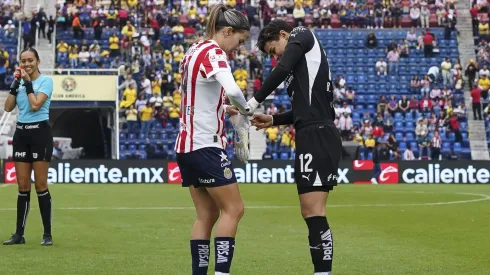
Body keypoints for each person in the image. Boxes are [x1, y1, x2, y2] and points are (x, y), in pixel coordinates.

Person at [248, 20, 342, 275]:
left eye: (273, 49)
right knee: (309, 210)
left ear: (283, 34)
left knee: (314, 210)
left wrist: (253, 102)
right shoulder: (299, 67)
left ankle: (323, 272)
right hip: (310, 131)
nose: (275, 57)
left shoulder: (301, 34)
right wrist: (274, 119)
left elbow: (283, 67)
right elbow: (307, 108)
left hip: (318, 134)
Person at [173, 4, 251, 275]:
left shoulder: (193, 49)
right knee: (234, 209)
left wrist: (223, 108)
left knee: (206, 215)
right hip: (206, 144)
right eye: (238, 40)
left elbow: (198, 95)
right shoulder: (214, 52)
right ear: (227, 31)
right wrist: (245, 113)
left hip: (186, 146)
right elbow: (232, 89)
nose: (236, 47)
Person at [3, 48, 54, 246]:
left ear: (38, 61)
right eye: (23, 61)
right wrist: (16, 85)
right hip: (21, 134)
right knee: (23, 186)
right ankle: (18, 235)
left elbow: (35, 105)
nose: (27, 64)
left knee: (41, 185)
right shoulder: (20, 82)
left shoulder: (45, 81)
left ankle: (47, 234)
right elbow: (8, 107)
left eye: (30, 60)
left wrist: (27, 82)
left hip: (40, 133)